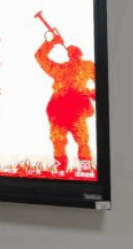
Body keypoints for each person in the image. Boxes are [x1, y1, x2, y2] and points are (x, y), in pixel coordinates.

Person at [35, 34, 96, 173]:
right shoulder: (61, 68)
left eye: (75, 52)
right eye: (72, 52)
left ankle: (85, 170)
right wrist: (52, 42)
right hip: (59, 109)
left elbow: (105, 81)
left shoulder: (86, 66)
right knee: (59, 141)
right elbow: (40, 57)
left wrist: (91, 93)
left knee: (80, 140)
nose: (74, 55)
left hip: (75, 108)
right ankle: (61, 170)